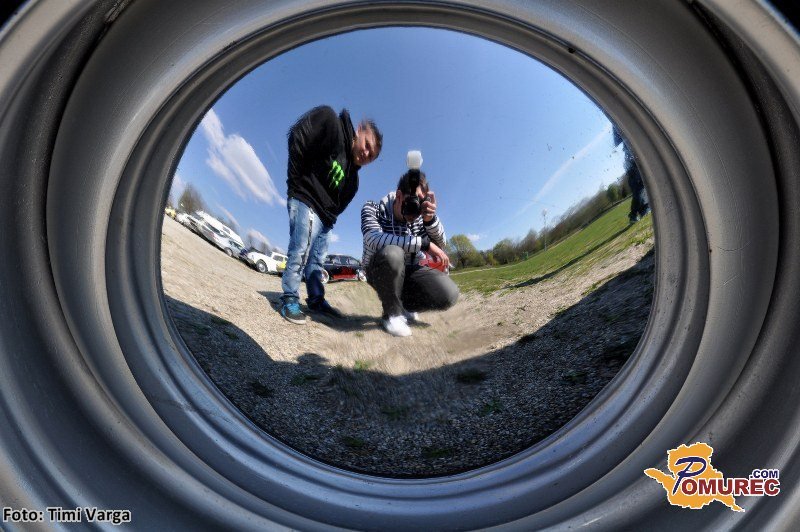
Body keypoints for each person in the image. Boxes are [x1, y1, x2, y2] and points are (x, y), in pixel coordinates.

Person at [280, 105, 382, 324]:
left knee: (317, 262)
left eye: (371, 156)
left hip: (325, 219)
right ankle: (289, 298)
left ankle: (316, 300)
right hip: (305, 200)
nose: (366, 154)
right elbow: (297, 137)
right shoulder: (330, 123)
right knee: (300, 252)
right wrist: (295, 187)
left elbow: (340, 204)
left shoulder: (354, 181)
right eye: (367, 145)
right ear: (359, 129)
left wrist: (329, 221)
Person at [361, 170, 459, 337]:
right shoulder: (373, 208)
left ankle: (404, 306)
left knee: (448, 294)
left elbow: (440, 244)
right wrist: (424, 244)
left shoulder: (420, 218)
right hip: (378, 271)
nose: (416, 211)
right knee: (393, 253)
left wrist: (430, 220)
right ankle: (392, 315)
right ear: (399, 196)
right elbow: (372, 238)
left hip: (408, 270)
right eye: (412, 201)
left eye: (420, 204)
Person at [613, 125, 649, 223]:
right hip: (632, 157)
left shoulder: (616, 123)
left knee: (639, 187)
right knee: (639, 186)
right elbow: (617, 141)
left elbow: (616, 141)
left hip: (630, 158)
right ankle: (638, 212)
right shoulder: (618, 122)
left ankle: (641, 211)